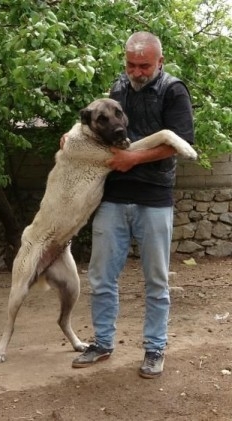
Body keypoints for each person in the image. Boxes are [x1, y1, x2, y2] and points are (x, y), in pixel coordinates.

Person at [70, 31, 195, 379]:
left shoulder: (173, 90)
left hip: (154, 197)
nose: (136, 72)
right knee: (101, 277)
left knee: (156, 280)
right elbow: (97, 127)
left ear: (160, 62)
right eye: (131, 65)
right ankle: (102, 343)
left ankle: (155, 349)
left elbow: (180, 142)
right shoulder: (118, 88)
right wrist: (71, 134)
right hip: (113, 196)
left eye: (144, 66)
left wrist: (132, 160)